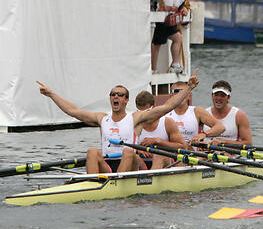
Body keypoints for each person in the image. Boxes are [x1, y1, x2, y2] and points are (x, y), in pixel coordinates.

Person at [36, 69, 199, 174]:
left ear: (126, 100)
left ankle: (114, 185)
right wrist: (51, 94)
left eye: (120, 95)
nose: (116, 96)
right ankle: (91, 185)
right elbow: (73, 111)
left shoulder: (136, 118)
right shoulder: (102, 118)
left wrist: (188, 88)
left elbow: (167, 106)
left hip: (131, 164)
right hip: (108, 165)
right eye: (113, 94)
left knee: (128, 151)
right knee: (92, 151)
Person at [135, 90, 186, 169]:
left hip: (166, 162)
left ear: (155, 107)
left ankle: (150, 179)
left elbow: (182, 146)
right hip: (143, 163)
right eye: (140, 112)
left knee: (159, 155)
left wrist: (157, 141)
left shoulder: (167, 122)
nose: (144, 116)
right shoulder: (134, 123)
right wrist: (138, 150)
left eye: (147, 111)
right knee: (133, 156)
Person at [165, 81, 225, 147]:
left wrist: (203, 134)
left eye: (183, 93)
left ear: (189, 96)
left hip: (191, 153)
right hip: (171, 152)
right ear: (171, 96)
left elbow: (220, 127)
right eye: (176, 92)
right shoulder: (164, 113)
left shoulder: (197, 111)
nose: (180, 96)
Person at [151, 0, 187, 75]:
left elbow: (166, 6)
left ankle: (175, 64)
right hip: (158, 20)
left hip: (164, 19)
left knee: (177, 37)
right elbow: (164, 7)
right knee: (156, 44)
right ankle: (153, 69)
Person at [203, 80, 252, 145]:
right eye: (216, 95)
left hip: (230, 153)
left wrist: (224, 142)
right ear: (212, 96)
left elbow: (248, 143)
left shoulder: (239, 115)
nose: (219, 98)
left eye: (222, 96)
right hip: (207, 153)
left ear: (228, 98)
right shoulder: (204, 114)